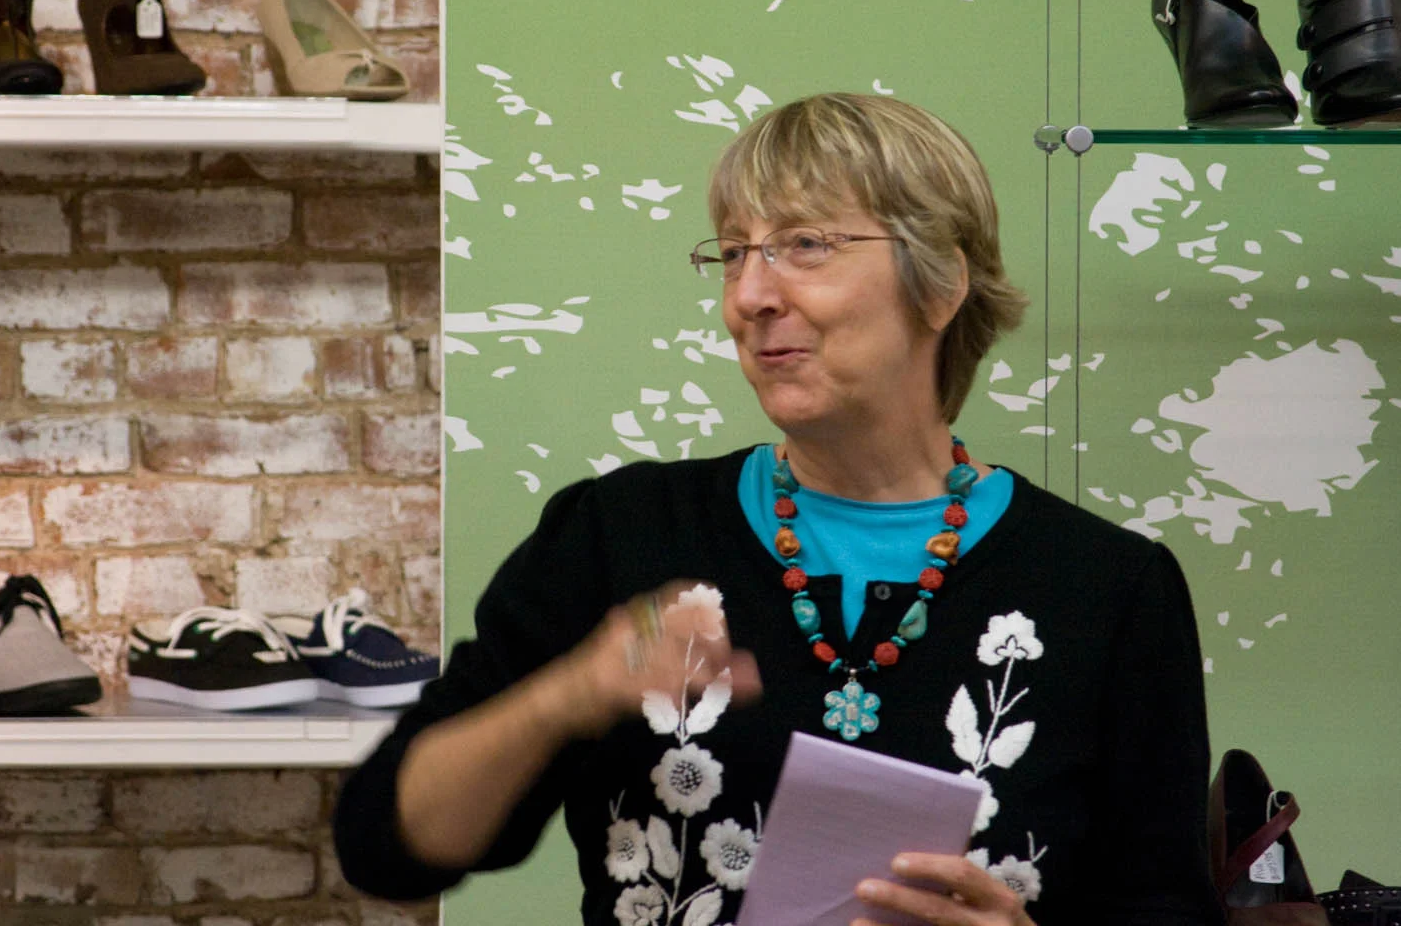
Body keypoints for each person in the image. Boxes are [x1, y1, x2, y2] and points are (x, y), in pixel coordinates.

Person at [333, 93, 1222, 926]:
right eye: (733, 252)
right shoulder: (620, 533)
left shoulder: (1108, 588)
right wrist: (567, 695)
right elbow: (385, 846)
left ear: (941, 283)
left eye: (805, 245)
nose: (749, 296)